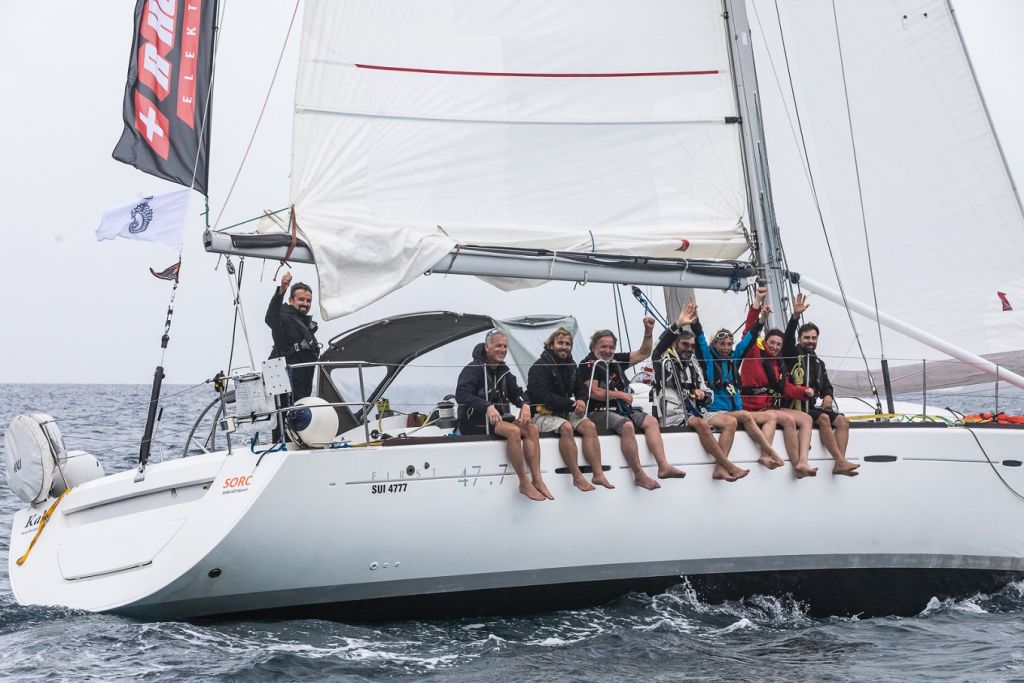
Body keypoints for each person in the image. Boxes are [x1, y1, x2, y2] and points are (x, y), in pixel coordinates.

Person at [672, 300, 785, 471]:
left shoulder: (734, 359)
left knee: (770, 417)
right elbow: (701, 339)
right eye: (722, 344)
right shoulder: (708, 359)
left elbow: (748, 340)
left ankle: (764, 455)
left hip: (735, 411)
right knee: (746, 416)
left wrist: (762, 320)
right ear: (715, 345)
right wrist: (695, 321)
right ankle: (770, 450)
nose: (726, 347)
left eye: (729, 344)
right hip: (717, 412)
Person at [579, 318, 687, 490]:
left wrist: (648, 330)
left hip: (622, 410)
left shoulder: (615, 361)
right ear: (594, 347)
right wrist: (620, 394)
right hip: (598, 412)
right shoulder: (587, 365)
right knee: (627, 426)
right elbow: (595, 393)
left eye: (611, 347)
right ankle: (639, 475)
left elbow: (644, 353)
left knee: (651, 421)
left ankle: (663, 465)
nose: (608, 350)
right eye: (603, 346)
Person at [652, 302, 749, 481]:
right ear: (675, 344)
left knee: (730, 422)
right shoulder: (664, 362)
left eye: (691, 346)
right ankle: (728, 465)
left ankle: (720, 468)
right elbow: (658, 348)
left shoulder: (694, 367)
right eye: (684, 345)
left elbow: (708, 393)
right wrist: (678, 325)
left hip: (696, 412)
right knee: (700, 423)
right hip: (674, 415)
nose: (688, 349)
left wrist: (703, 395)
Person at [456, 329, 553, 501]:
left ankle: (537, 480)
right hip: (476, 423)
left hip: (498, 420)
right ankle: (523, 482)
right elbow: (462, 395)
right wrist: (487, 406)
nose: (502, 350)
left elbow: (517, 393)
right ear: (487, 347)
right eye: (498, 345)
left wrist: (524, 404)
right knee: (514, 431)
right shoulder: (473, 369)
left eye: (505, 346)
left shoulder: (504, 371)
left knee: (531, 428)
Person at [738, 289, 818, 478]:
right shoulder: (753, 353)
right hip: (754, 408)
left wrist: (803, 391)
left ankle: (803, 462)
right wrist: (758, 302)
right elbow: (749, 330)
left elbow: (786, 389)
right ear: (765, 342)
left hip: (770, 407)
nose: (774, 347)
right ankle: (787, 461)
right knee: (788, 420)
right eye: (771, 343)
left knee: (806, 419)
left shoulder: (778, 364)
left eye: (778, 345)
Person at [527, 328, 614, 492]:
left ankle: (598, 473)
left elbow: (581, 388)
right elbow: (545, 397)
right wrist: (572, 405)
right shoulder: (539, 367)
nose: (564, 347)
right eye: (560, 343)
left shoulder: (571, 366)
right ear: (551, 345)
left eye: (568, 344)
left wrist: (581, 400)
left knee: (589, 426)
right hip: (541, 414)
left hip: (564, 412)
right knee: (566, 427)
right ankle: (577, 477)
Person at [783, 294, 860, 476]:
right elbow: (786, 340)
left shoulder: (818, 363)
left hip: (812, 407)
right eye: (807, 338)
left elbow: (827, 386)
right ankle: (840, 461)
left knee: (842, 420)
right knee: (824, 419)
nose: (811, 341)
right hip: (796, 407)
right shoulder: (793, 355)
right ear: (800, 339)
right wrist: (794, 317)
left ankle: (840, 462)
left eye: (814, 338)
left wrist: (828, 395)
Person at [265, 272, 320, 400]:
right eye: (301, 299)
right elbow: (271, 318)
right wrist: (282, 291)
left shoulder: (305, 324)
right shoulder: (283, 318)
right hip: (285, 389)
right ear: (290, 300)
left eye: (308, 301)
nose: (306, 304)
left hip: (303, 388)